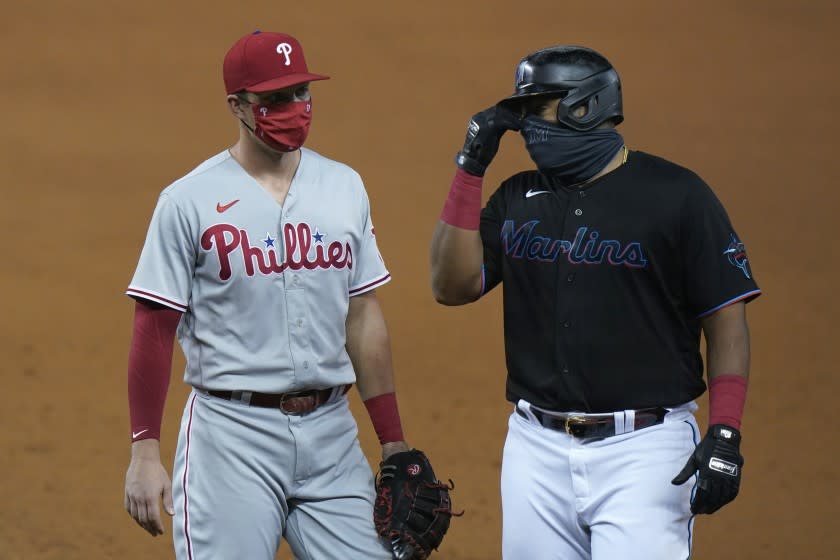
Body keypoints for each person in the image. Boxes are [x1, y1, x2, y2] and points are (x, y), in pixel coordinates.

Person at [430, 45, 761, 559]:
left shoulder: (677, 195)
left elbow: (727, 319)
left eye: (537, 109)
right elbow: (451, 286)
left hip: (645, 453)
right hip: (534, 450)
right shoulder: (516, 197)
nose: (527, 129)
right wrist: (471, 166)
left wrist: (725, 432)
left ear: (585, 106)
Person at [123, 30, 407, 560]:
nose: (294, 108)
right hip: (231, 437)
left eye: (300, 92)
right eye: (274, 99)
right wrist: (144, 450)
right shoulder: (188, 201)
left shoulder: (344, 186)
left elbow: (363, 317)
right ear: (238, 106)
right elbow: (153, 328)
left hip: (332, 435)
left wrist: (392, 441)